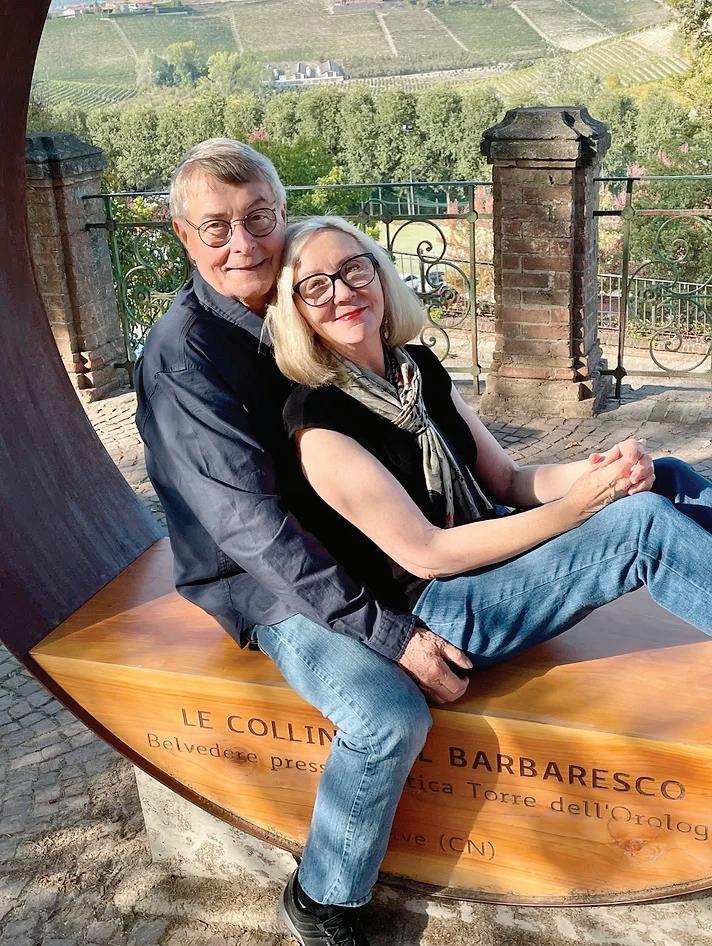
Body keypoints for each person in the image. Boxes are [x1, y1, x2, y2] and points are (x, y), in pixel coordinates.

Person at [134, 139, 469, 946]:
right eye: (216, 228)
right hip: (263, 581)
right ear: (183, 236)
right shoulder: (185, 356)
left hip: (350, 544)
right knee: (386, 715)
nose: (242, 244)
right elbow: (252, 531)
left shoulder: (290, 303)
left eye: (259, 218)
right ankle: (323, 899)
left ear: (282, 215)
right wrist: (390, 635)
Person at [266, 213, 712, 680]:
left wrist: (606, 468)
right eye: (316, 286)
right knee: (640, 525)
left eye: (354, 268)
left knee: (666, 475)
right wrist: (576, 508)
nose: (342, 292)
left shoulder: (415, 370)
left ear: (379, 274)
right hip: (442, 610)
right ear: (296, 311)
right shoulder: (317, 422)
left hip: (491, 550)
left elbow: (508, 480)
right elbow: (426, 554)